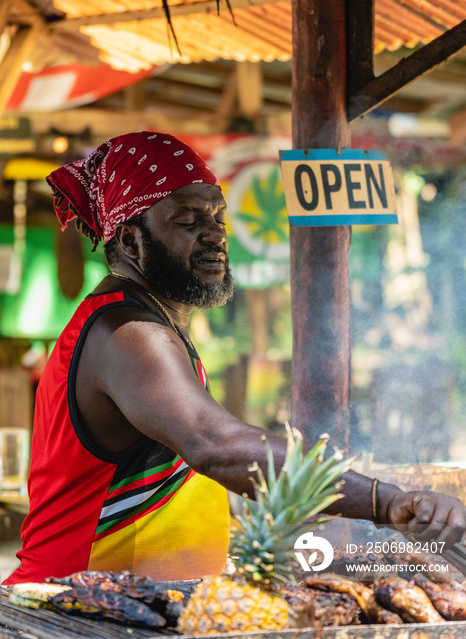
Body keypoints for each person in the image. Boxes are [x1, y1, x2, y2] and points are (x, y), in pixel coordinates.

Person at [4, 131, 466, 584]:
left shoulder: (152, 323)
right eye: (189, 222)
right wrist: (385, 501)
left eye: (218, 218)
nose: (214, 237)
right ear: (129, 242)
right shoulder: (128, 333)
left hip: (130, 603)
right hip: (76, 606)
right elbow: (217, 445)